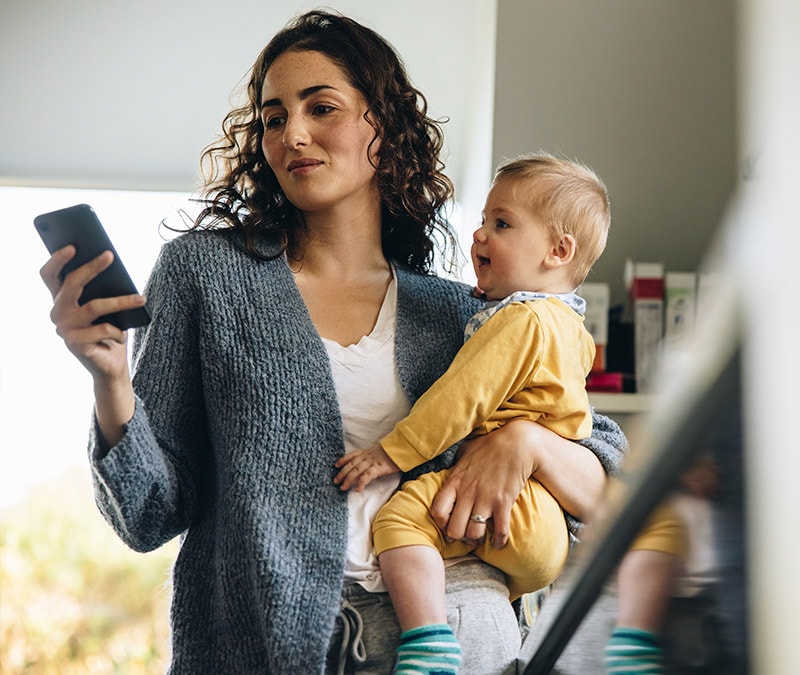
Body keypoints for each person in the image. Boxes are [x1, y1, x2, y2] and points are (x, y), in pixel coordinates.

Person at [38, 10, 626, 674]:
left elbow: (599, 479)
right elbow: (149, 513)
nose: (294, 133)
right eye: (273, 117)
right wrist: (110, 378)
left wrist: (526, 441)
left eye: (322, 107)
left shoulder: (458, 309)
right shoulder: (205, 274)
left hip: (461, 639)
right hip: (262, 646)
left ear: (385, 125)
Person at [334, 153, 611, 672]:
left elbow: (461, 397)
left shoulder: (522, 321)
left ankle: (427, 644)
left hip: (513, 504)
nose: (480, 235)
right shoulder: (572, 330)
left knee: (398, 522)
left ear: (558, 250)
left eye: (502, 224)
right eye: (483, 220)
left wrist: (392, 453)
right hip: (539, 528)